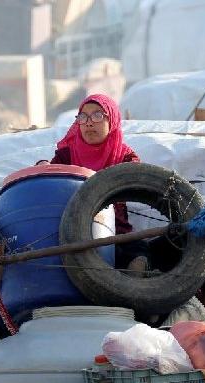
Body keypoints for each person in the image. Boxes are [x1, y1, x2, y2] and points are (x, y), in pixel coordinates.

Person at [48, 93, 147, 272]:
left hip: (115, 230)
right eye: (83, 116)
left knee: (137, 250)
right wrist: (42, 166)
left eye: (98, 115)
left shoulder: (125, 157)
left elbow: (138, 180)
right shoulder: (66, 155)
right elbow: (49, 178)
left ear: (113, 121)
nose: (89, 122)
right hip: (72, 228)